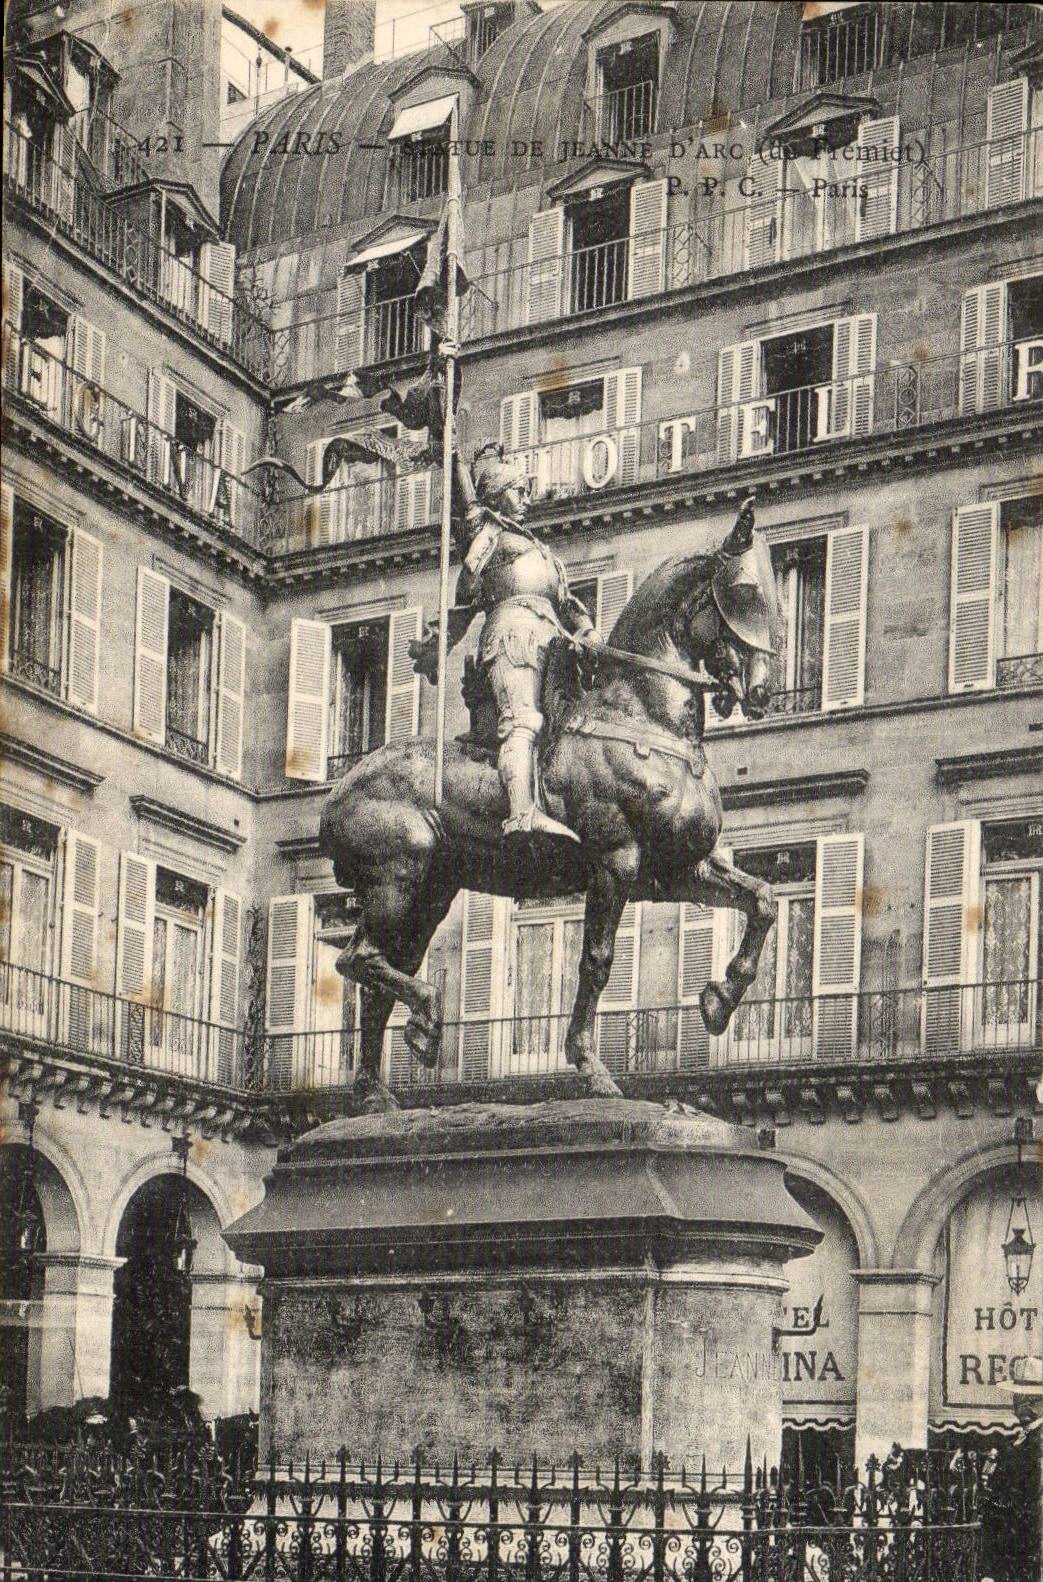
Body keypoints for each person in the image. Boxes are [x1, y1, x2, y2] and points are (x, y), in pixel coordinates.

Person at [411, 444, 602, 843]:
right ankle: (521, 814)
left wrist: (587, 631)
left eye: (527, 490)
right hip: (512, 637)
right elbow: (466, 502)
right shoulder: (488, 534)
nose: (527, 499)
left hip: (555, 647)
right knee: (524, 720)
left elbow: (569, 605)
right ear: (496, 496)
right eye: (518, 490)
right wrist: (452, 446)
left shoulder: (544, 554)